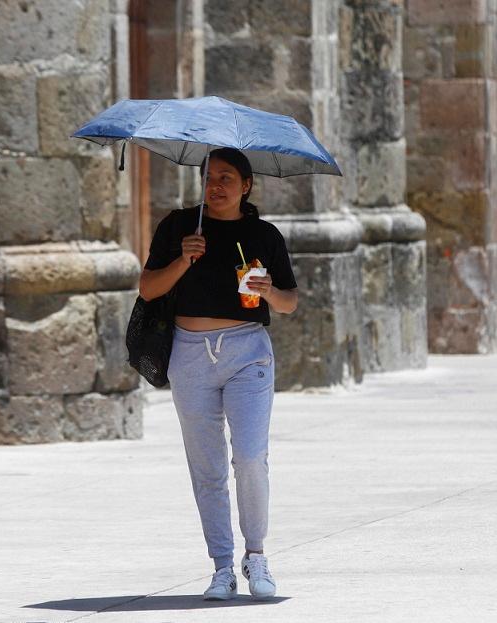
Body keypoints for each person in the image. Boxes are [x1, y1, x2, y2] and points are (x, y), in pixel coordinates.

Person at [139, 147, 298, 600]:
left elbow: (290, 302)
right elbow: (148, 289)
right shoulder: (179, 227)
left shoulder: (262, 235)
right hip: (189, 353)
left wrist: (268, 291)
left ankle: (258, 554)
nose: (216, 184)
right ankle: (222, 566)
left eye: (227, 177)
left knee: (249, 457)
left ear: (246, 185)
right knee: (206, 466)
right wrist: (182, 259)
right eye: (210, 176)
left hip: (247, 350)